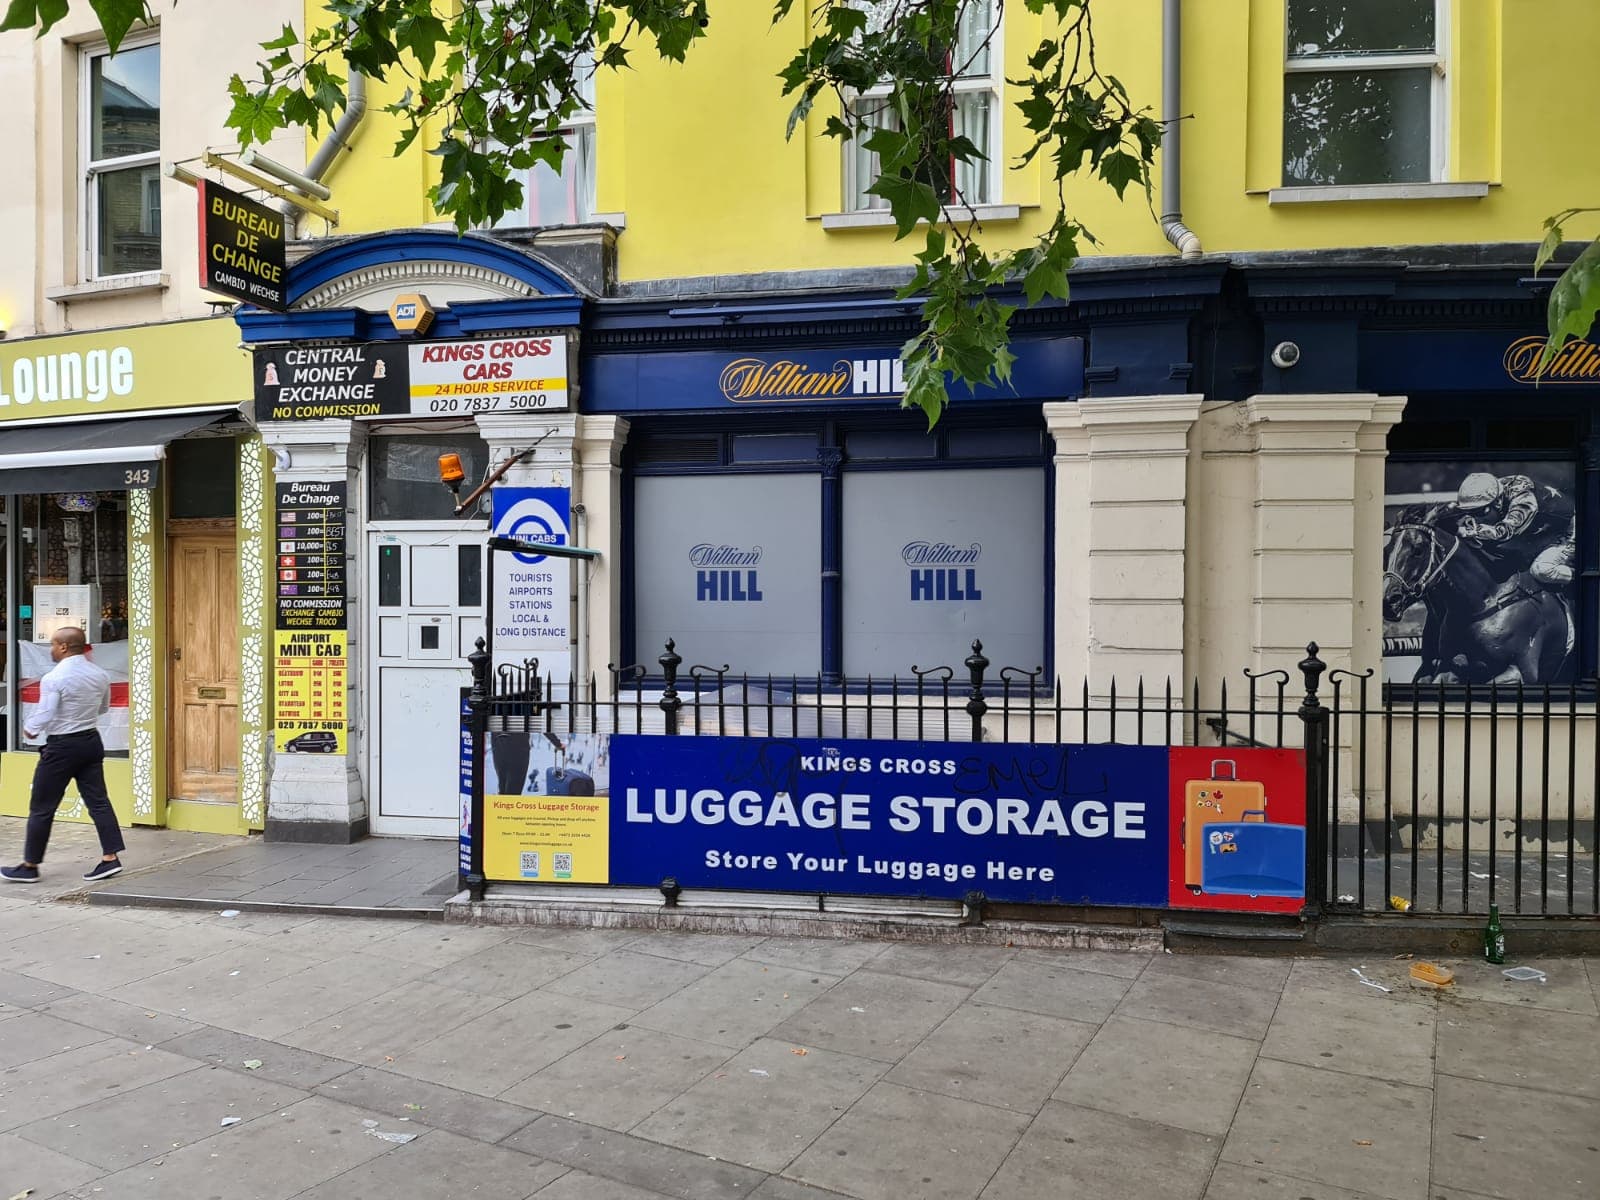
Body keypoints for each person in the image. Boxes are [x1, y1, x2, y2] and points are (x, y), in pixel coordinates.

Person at [1, 627, 126, 883]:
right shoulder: (99, 674)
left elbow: (46, 713)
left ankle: (30, 865)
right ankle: (110, 858)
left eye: (53, 645)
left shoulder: (54, 678)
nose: (51, 649)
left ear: (64, 647)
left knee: (41, 807)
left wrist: (30, 729)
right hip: (91, 741)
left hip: (62, 747)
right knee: (98, 801)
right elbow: (102, 708)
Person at [1453, 472, 1576, 587]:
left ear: (1497, 502)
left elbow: (1505, 532)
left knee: (1541, 569)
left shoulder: (1524, 502)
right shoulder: (1494, 489)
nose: (1475, 516)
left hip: (1571, 530)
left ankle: (1581, 581)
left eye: (1479, 511)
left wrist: (1469, 531)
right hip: (1547, 530)